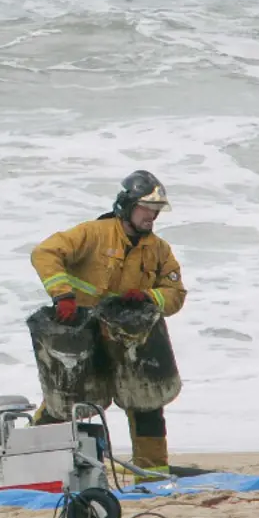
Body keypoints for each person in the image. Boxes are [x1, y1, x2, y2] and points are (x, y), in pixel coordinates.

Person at [30, 169, 187, 474]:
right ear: (126, 206)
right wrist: (63, 296)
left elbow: (175, 294)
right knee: (66, 403)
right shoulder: (93, 234)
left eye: (156, 211)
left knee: (147, 403)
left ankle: (154, 474)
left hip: (133, 340)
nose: (152, 217)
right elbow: (45, 253)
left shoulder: (158, 250)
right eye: (146, 209)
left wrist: (148, 297)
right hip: (84, 335)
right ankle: (29, 459)